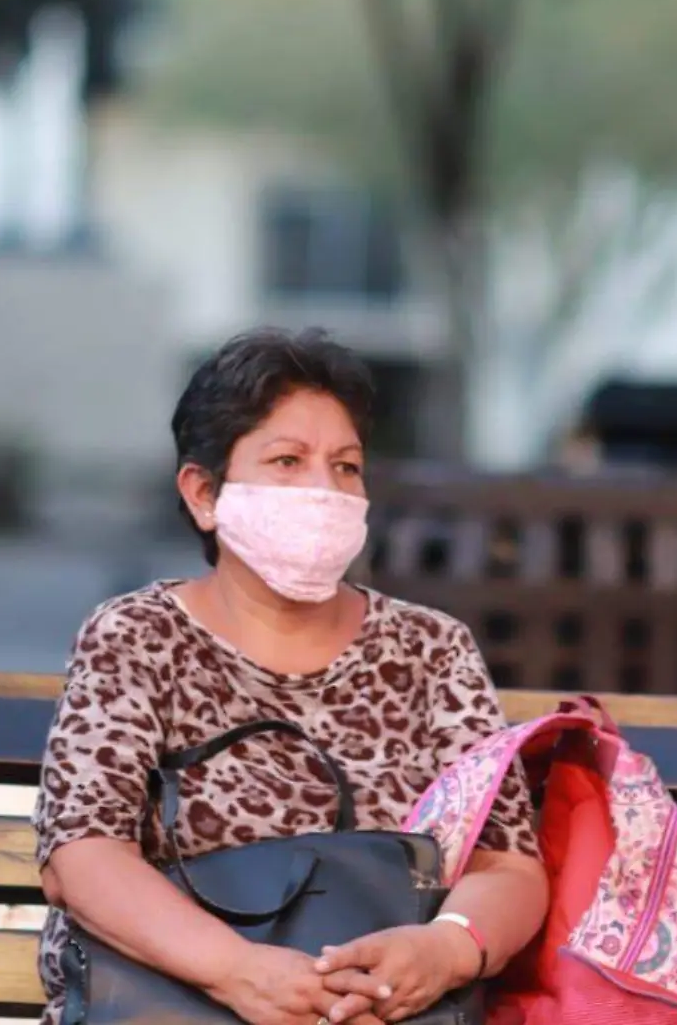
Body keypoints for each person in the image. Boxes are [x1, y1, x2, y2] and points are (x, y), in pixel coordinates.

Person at [33, 328, 548, 1025]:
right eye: (286, 461)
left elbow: (507, 864)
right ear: (203, 493)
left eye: (345, 467)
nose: (324, 491)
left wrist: (444, 950)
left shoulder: (431, 650)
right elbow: (83, 853)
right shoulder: (137, 637)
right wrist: (237, 973)